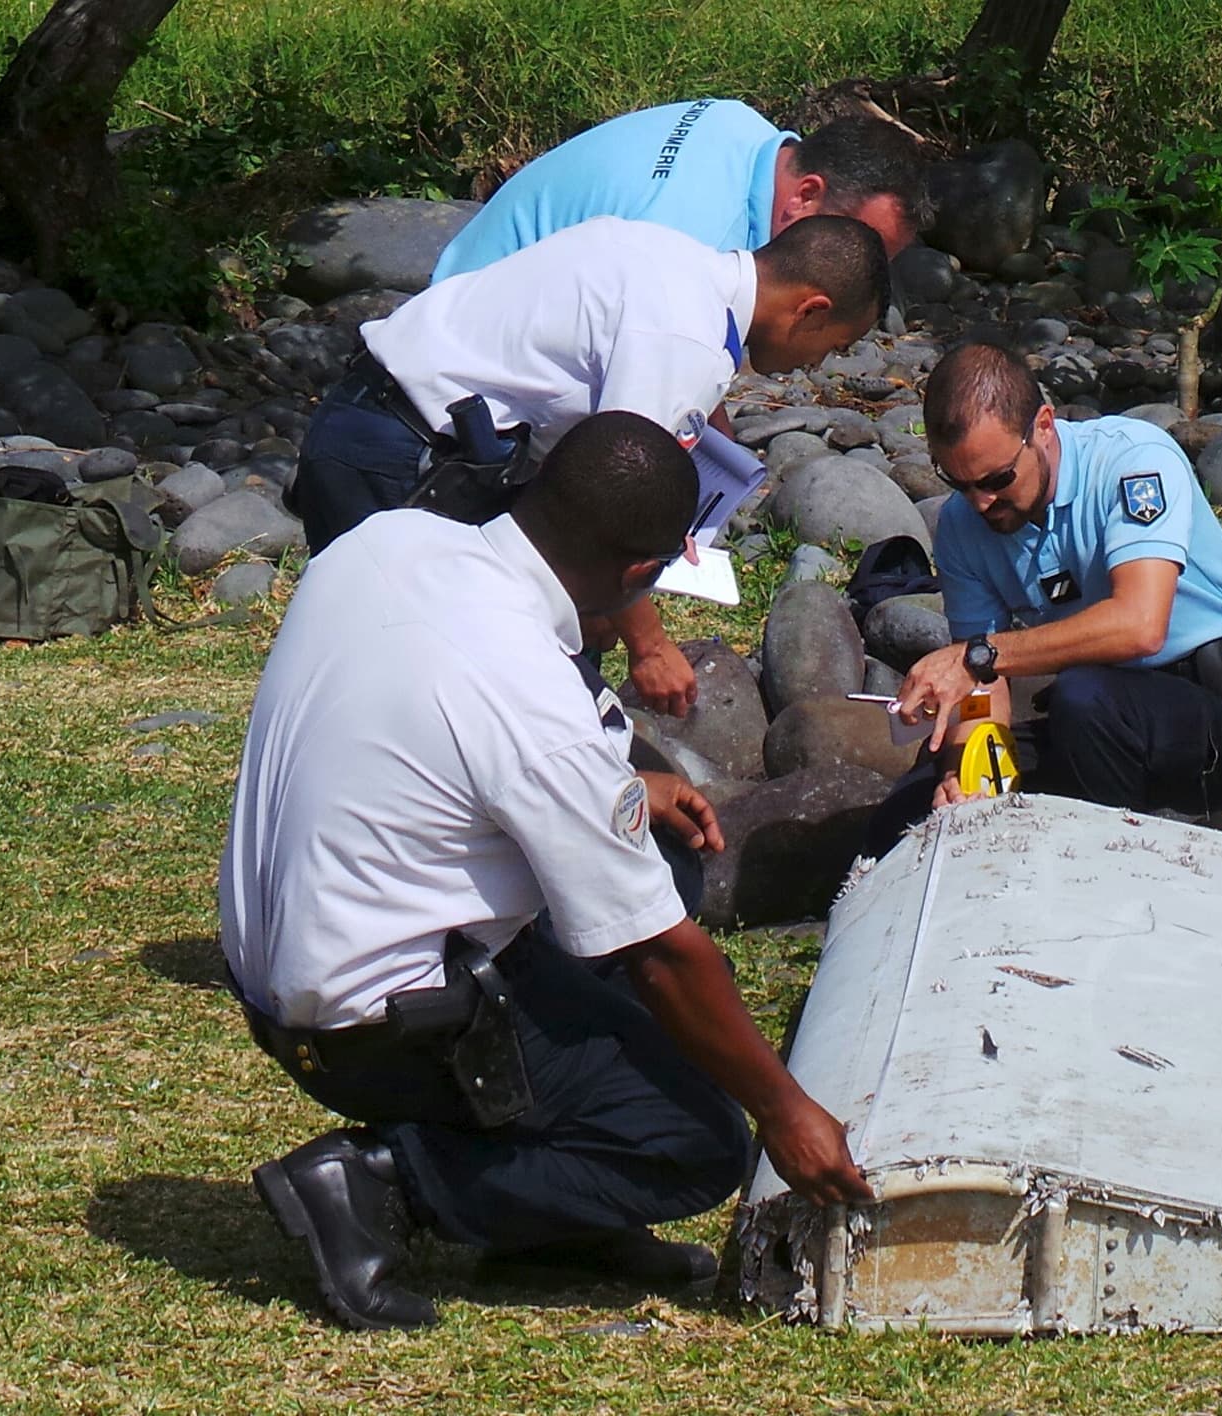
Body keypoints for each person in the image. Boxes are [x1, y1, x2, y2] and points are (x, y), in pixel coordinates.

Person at [226, 411, 873, 1331]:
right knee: (690, 1141)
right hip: (373, 1024)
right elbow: (664, 957)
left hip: (276, 967)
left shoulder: (389, 539)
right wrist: (784, 1110)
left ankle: (555, 1220)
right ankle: (381, 1182)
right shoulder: (528, 694)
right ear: (639, 574)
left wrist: (628, 791)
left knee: (659, 872)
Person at [425, 100, 926, 719]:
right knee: (480, 658)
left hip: (477, 350)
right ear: (807, 197)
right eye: (859, 245)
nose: (862, 267)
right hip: (457, 408)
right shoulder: (687, 243)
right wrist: (639, 632)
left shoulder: (747, 139)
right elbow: (604, 480)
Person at [286, 212, 890, 711]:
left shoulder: (671, 253)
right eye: (831, 346)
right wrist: (648, 644)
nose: (815, 366)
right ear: (809, 308)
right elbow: (615, 502)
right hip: (405, 456)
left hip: (372, 418)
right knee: (406, 681)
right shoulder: (687, 338)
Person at [870, 342, 1222, 847]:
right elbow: (982, 687)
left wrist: (980, 655)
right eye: (956, 482)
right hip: (1101, 719)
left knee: (1083, 697)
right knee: (915, 804)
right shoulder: (963, 526)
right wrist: (968, 774)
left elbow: (1139, 625)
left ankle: (1113, 869)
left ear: (1043, 426)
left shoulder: (1134, 461)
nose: (981, 501)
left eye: (997, 479)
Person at [432, 99, 925, 284]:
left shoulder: (739, 123)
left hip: (469, 277)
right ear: (806, 195)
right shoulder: (697, 244)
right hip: (459, 373)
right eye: (863, 250)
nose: (863, 277)